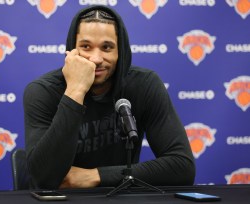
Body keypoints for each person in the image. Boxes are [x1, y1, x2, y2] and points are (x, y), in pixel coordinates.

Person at [23, 5, 195, 190]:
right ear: (72, 50)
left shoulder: (144, 85)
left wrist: (96, 176)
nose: (96, 58)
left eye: (107, 47)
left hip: (119, 195)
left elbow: (182, 167)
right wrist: (75, 90)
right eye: (85, 46)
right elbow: (42, 178)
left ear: (120, 51)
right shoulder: (43, 91)